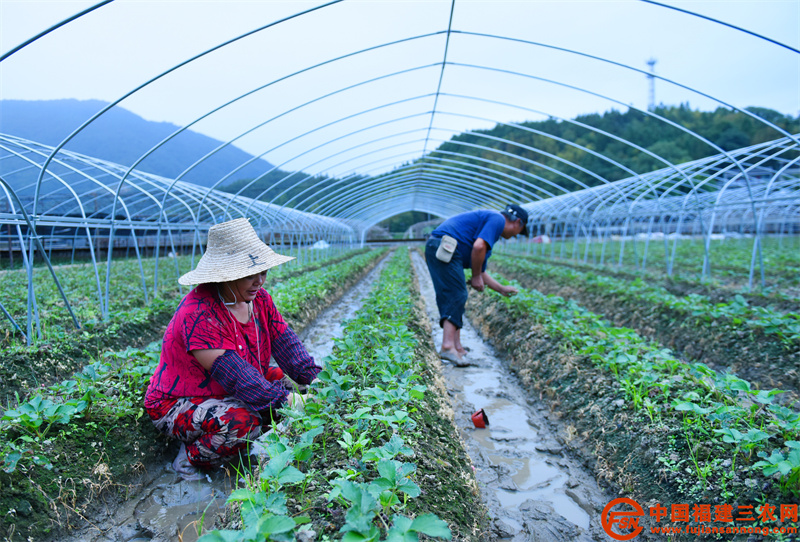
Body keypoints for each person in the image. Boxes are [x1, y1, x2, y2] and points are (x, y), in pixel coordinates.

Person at [144, 218, 321, 480]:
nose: (259, 281)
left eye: (263, 272)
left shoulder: (259, 298)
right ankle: (191, 457)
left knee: (284, 382)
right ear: (226, 275)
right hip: (178, 401)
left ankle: (225, 436)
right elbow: (237, 376)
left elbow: (285, 341)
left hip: (225, 388)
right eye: (249, 275)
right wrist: (292, 403)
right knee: (244, 422)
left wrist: (315, 378)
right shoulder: (200, 313)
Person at [424, 204, 528, 366]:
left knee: (456, 294)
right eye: (519, 232)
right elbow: (478, 247)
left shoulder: (489, 230)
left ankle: (457, 347)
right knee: (456, 294)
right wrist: (475, 276)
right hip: (445, 246)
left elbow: (481, 269)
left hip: (444, 247)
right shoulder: (497, 219)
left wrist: (501, 289)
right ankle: (448, 346)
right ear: (518, 222)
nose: (515, 236)